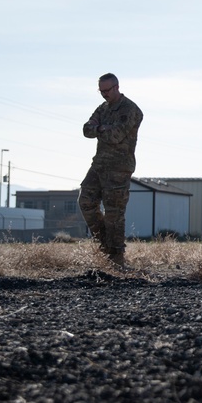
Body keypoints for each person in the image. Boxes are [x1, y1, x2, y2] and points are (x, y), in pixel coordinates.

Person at [79, 73, 144, 266]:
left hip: (119, 168)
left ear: (117, 87)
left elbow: (117, 135)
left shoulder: (130, 109)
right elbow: (86, 129)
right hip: (99, 165)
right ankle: (104, 245)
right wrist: (101, 129)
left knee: (114, 212)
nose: (104, 94)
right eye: (101, 91)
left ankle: (116, 259)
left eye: (107, 90)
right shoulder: (103, 108)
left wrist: (99, 129)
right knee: (85, 201)